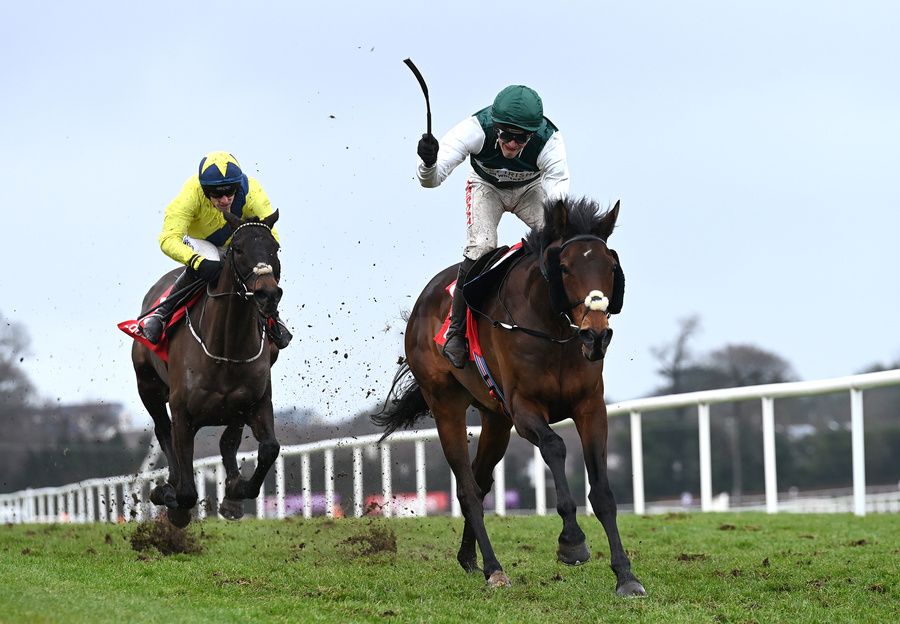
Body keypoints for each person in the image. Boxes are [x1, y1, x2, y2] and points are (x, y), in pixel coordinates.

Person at [416, 85, 570, 368]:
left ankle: (570, 320)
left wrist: (557, 235)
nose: (512, 144)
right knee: (483, 245)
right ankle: (456, 331)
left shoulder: (551, 142)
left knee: (561, 239)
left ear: (533, 134)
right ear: (496, 127)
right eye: (507, 135)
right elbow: (432, 180)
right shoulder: (474, 129)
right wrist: (428, 162)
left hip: (530, 191)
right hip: (487, 188)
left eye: (521, 138)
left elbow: (557, 201)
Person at [139, 151, 293, 349]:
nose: (225, 200)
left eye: (230, 192)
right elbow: (168, 238)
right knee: (212, 258)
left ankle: (273, 317)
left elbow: (270, 237)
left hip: (237, 244)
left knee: (258, 266)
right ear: (204, 191)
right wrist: (196, 261)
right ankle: (162, 314)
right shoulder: (190, 194)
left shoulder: (252, 191)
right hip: (198, 241)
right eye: (217, 194)